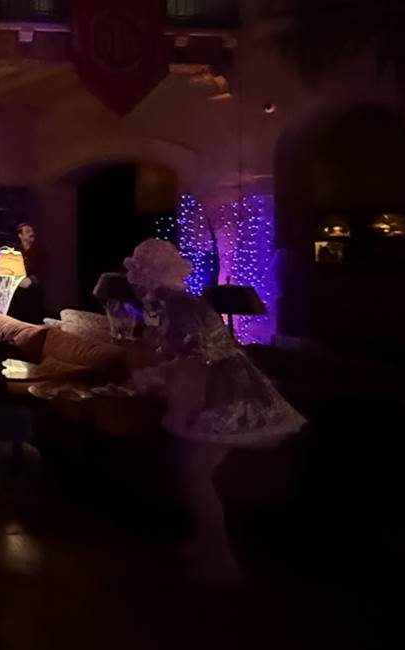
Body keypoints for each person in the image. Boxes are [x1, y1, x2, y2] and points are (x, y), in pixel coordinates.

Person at [123, 238, 305, 585]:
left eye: (141, 276)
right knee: (189, 473)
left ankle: (220, 559)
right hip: (213, 389)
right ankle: (205, 544)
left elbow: (196, 359)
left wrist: (156, 377)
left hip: (221, 395)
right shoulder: (177, 303)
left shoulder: (180, 306)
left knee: (197, 478)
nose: (139, 285)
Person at [6, 222, 47, 324]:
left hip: (34, 291)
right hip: (17, 291)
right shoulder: (15, 251)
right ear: (20, 235)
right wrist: (18, 281)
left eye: (32, 231)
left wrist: (30, 280)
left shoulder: (40, 251)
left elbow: (43, 270)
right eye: (28, 231)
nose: (31, 233)